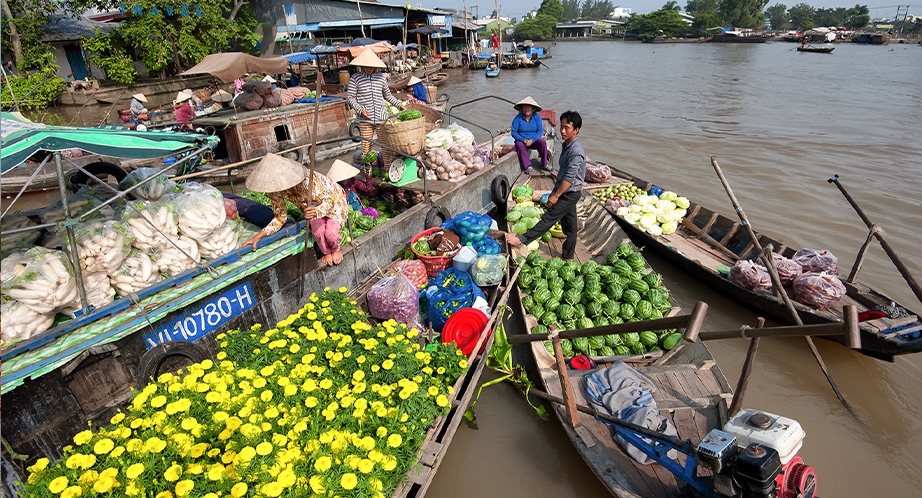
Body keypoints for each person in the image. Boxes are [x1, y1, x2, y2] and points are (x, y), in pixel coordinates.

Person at [242, 153, 350, 266]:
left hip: (334, 203)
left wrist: (317, 211)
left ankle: (336, 249)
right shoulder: (274, 191)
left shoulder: (308, 181)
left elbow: (330, 200)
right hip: (311, 208)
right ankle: (326, 252)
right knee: (318, 233)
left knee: (330, 234)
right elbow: (280, 217)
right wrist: (260, 235)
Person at [507, 111, 585, 260]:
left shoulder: (576, 151)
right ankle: (568, 255)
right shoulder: (568, 145)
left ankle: (521, 240)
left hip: (569, 192)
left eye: (567, 128)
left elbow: (569, 178)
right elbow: (563, 174)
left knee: (549, 218)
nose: (562, 131)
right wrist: (555, 191)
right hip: (566, 190)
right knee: (570, 225)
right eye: (561, 127)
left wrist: (556, 195)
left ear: (576, 130)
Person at [346, 49, 406, 156]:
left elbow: (387, 95)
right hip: (365, 119)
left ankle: (387, 169)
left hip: (381, 118)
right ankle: (368, 172)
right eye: (366, 66)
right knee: (366, 149)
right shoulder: (355, 78)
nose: (369, 68)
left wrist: (399, 105)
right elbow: (350, 98)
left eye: (371, 66)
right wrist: (360, 110)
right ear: (361, 65)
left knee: (386, 147)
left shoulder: (381, 78)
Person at [511, 96, 549, 173]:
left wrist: (532, 140)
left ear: (532, 108)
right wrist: (522, 139)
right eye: (524, 107)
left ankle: (544, 164)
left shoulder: (537, 117)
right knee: (519, 145)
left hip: (533, 140)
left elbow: (539, 131)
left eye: (528, 107)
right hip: (522, 141)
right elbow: (513, 132)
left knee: (542, 143)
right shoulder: (518, 118)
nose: (526, 109)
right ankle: (527, 165)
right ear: (521, 108)